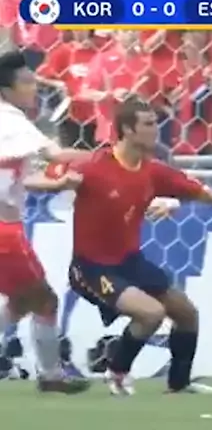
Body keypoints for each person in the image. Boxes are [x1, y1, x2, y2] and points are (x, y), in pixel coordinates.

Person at [46, 96, 212, 396]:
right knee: (151, 313)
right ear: (127, 129)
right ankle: (117, 373)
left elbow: (200, 191)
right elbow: (40, 177)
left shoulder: (152, 171)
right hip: (90, 267)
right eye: (148, 124)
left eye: (156, 123)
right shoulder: (93, 166)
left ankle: (179, 384)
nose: (155, 129)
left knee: (186, 313)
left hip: (129, 262)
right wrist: (56, 183)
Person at [0, 50, 91, 394]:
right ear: (6, 90)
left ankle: (51, 375)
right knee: (44, 300)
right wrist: (110, 156)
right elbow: (58, 155)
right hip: (4, 232)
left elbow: (20, 178)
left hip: (7, 228)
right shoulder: (11, 121)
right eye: (26, 82)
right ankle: (51, 376)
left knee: (23, 300)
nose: (34, 87)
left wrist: (57, 183)